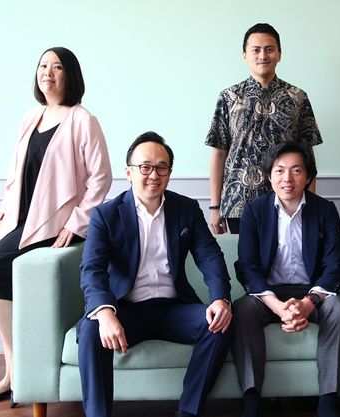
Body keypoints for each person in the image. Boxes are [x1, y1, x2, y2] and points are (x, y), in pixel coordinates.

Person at [0, 46, 112, 406]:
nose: (48, 72)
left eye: (57, 67)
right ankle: (15, 372)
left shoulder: (83, 120)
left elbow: (101, 178)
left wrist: (76, 222)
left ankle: (19, 372)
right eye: (43, 66)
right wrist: (2, 217)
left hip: (53, 226)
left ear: (70, 75)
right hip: (21, 222)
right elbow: (15, 176)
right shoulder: (30, 117)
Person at [77, 132, 233, 417]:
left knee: (220, 323)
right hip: (127, 309)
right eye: (145, 167)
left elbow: (210, 256)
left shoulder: (185, 209)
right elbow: (92, 269)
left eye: (162, 167)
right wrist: (105, 312)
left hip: (173, 308)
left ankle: (188, 411)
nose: (153, 175)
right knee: (90, 328)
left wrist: (220, 299)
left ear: (169, 173)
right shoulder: (106, 215)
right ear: (129, 172)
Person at [232, 142, 340, 417]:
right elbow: (247, 267)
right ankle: (251, 399)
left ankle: (328, 401)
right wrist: (278, 307)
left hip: (312, 292)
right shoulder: (254, 211)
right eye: (280, 170)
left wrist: (308, 303)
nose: (287, 178)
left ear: (308, 176)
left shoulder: (325, 210)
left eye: (296, 170)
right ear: (269, 175)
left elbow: (335, 266)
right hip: (268, 295)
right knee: (242, 309)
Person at [206, 22, 323, 235]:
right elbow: (219, 152)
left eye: (269, 49)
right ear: (244, 55)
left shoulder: (297, 97)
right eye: (256, 50)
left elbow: (308, 156)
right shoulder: (229, 97)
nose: (263, 55)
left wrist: (311, 203)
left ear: (279, 54)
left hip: (288, 199)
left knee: (287, 255)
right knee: (245, 256)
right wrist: (215, 207)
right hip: (238, 201)